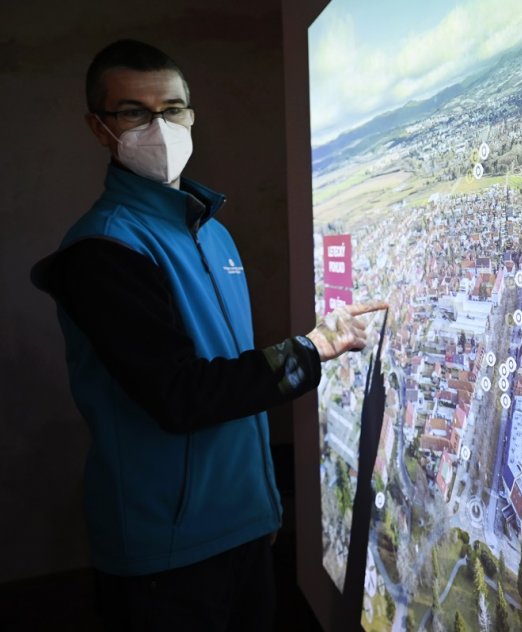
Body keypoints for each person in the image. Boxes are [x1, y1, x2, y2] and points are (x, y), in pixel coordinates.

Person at [30, 39, 385, 631]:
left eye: (172, 109)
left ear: (191, 114)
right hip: (166, 554)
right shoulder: (103, 250)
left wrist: (260, 504)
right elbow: (180, 394)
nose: (160, 128)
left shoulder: (212, 232)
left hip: (241, 526)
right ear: (99, 128)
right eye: (134, 113)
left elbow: (232, 378)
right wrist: (311, 349)